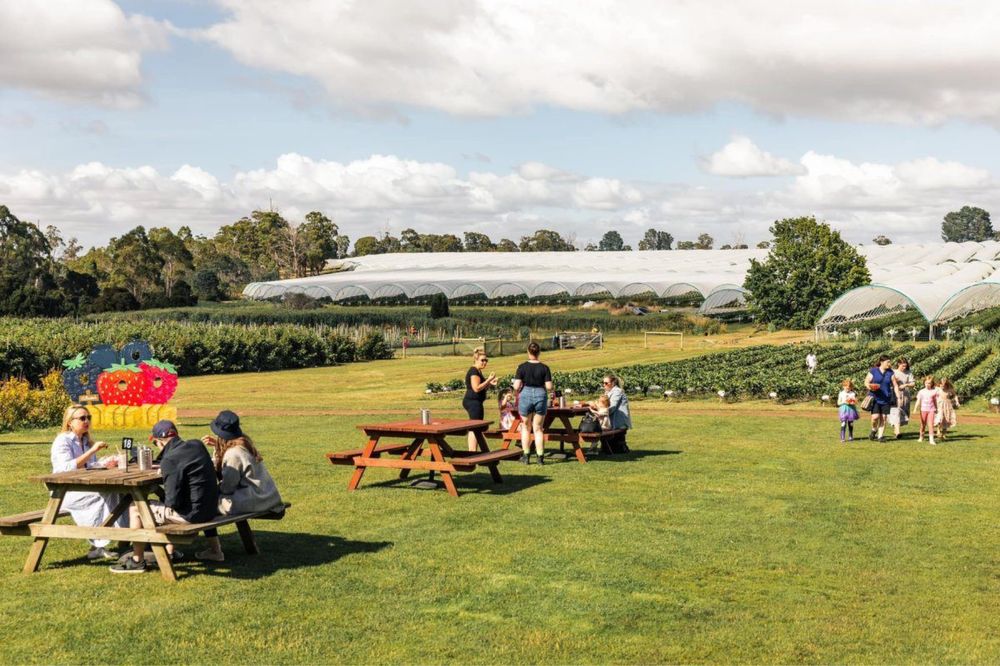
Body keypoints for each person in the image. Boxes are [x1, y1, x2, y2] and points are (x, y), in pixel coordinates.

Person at [110, 420, 220, 574]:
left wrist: (167, 473)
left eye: (155, 443)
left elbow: (172, 501)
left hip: (191, 515)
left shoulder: (169, 460)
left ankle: (137, 560)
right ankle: (171, 551)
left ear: (159, 441)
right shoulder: (197, 445)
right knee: (160, 505)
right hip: (210, 509)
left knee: (136, 507)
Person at [197, 410, 283, 562]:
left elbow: (227, 488)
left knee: (202, 504)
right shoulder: (245, 444)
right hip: (267, 496)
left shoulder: (233, 454)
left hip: (254, 500)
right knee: (207, 500)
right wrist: (217, 447)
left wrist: (211, 490)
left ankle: (214, 551)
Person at [50, 404, 122, 561]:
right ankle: (100, 541)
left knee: (118, 492)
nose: (86, 421)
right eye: (82, 418)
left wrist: (106, 463)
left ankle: (112, 540)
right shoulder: (62, 441)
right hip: (65, 491)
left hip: (83, 487)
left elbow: (89, 466)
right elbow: (65, 469)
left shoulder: (85, 440)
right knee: (106, 494)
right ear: (70, 422)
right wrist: (92, 451)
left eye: (88, 417)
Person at [512, 342, 553, 465]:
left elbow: (516, 386)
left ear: (528, 352)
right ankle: (540, 457)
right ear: (539, 352)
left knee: (525, 428)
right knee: (538, 429)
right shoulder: (545, 368)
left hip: (525, 395)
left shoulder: (522, 367)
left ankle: (526, 456)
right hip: (540, 394)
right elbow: (549, 387)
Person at [463, 348, 497, 451]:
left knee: (476, 427)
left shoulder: (478, 371)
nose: (485, 362)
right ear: (476, 359)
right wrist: (488, 380)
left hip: (476, 402)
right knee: (474, 428)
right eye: (482, 360)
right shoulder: (474, 371)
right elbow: (476, 388)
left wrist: (490, 384)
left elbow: (482, 387)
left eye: (486, 360)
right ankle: (472, 452)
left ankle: (473, 452)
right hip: (473, 402)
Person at [864, 354, 898, 443]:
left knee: (884, 417)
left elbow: (895, 385)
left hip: (886, 398)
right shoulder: (873, 371)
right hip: (875, 398)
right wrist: (870, 386)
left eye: (890, 362)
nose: (889, 363)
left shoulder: (890, 372)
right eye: (888, 362)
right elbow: (866, 382)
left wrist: (897, 395)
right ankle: (874, 429)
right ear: (882, 362)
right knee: (875, 417)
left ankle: (880, 436)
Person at [603, 374, 632, 453]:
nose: (604, 385)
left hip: (618, 422)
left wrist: (599, 411)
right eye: (603, 383)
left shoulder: (617, 391)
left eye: (606, 383)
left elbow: (612, 407)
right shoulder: (608, 392)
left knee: (599, 426)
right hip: (613, 421)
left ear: (613, 383)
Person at [892, 358, 915, 439]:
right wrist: (895, 381)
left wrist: (906, 385)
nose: (904, 367)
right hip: (895, 394)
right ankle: (897, 431)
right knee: (896, 411)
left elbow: (913, 383)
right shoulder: (893, 372)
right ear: (898, 364)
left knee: (904, 412)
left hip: (905, 395)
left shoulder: (909, 373)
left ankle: (896, 428)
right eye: (903, 366)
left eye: (905, 366)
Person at [915, 376, 938, 444]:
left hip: (931, 410)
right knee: (923, 424)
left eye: (929, 383)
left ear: (932, 384)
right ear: (924, 383)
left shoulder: (934, 391)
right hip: (923, 410)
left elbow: (935, 401)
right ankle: (921, 437)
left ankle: (931, 440)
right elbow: (918, 400)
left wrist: (936, 408)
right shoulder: (921, 391)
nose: (927, 384)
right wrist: (915, 408)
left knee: (931, 424)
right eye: (926, 383)